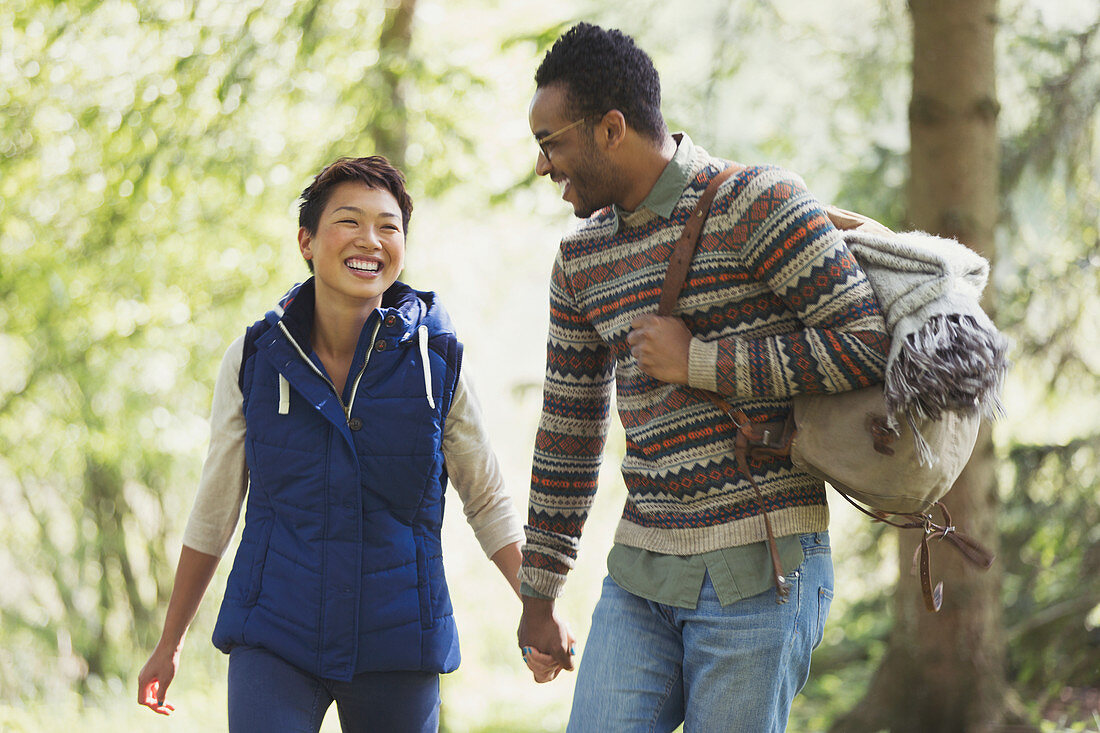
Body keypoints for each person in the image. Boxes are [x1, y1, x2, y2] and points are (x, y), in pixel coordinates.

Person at [515, 23, 891, 732]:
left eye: (550, 142)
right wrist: (539, 592)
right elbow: (567, 433)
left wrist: (703, 363)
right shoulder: (579, 263)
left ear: (611, 129)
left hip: (763, 568)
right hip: (639, 577)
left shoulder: (757, 202)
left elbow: (866, 344)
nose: (543, 166)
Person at [137, 156, 555, 732]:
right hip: (275, 634)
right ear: (306, 241)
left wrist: (537, 607)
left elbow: (487, 500)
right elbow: (216, 506)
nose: (371, 240)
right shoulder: (256, 358)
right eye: (349, 222)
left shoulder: (436, 362)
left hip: (399, 641)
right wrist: (170, 642)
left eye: (389, 226)